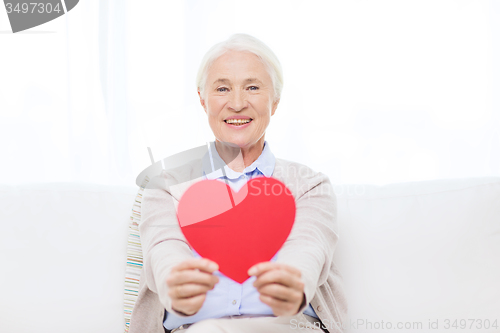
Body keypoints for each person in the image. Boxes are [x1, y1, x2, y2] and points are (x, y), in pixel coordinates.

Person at [129, 33, 348, 333]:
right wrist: (176, 285)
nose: (236, 103)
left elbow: (309, 251)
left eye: (253, 88)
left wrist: (293, 286)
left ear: (275, 101)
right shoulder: (166, 184)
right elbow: (163, 253)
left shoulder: (310, 185)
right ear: (203, 100)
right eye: (222, 88)